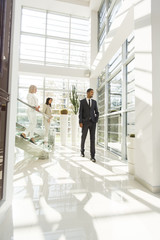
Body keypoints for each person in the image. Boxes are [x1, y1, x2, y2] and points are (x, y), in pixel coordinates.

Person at [79, 88, 99, 162]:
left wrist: (96, 119)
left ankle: (92, 156)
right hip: (85, 122)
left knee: (92, 139)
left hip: (93, 122)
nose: (92, 94)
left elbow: (97, 112)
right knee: (83, 137)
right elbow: (80, 112)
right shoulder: (82, 102)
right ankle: (82, 151)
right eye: (91, 92)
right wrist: (80, 122)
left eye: (93, 93)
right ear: (87, 93)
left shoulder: (94, 102)